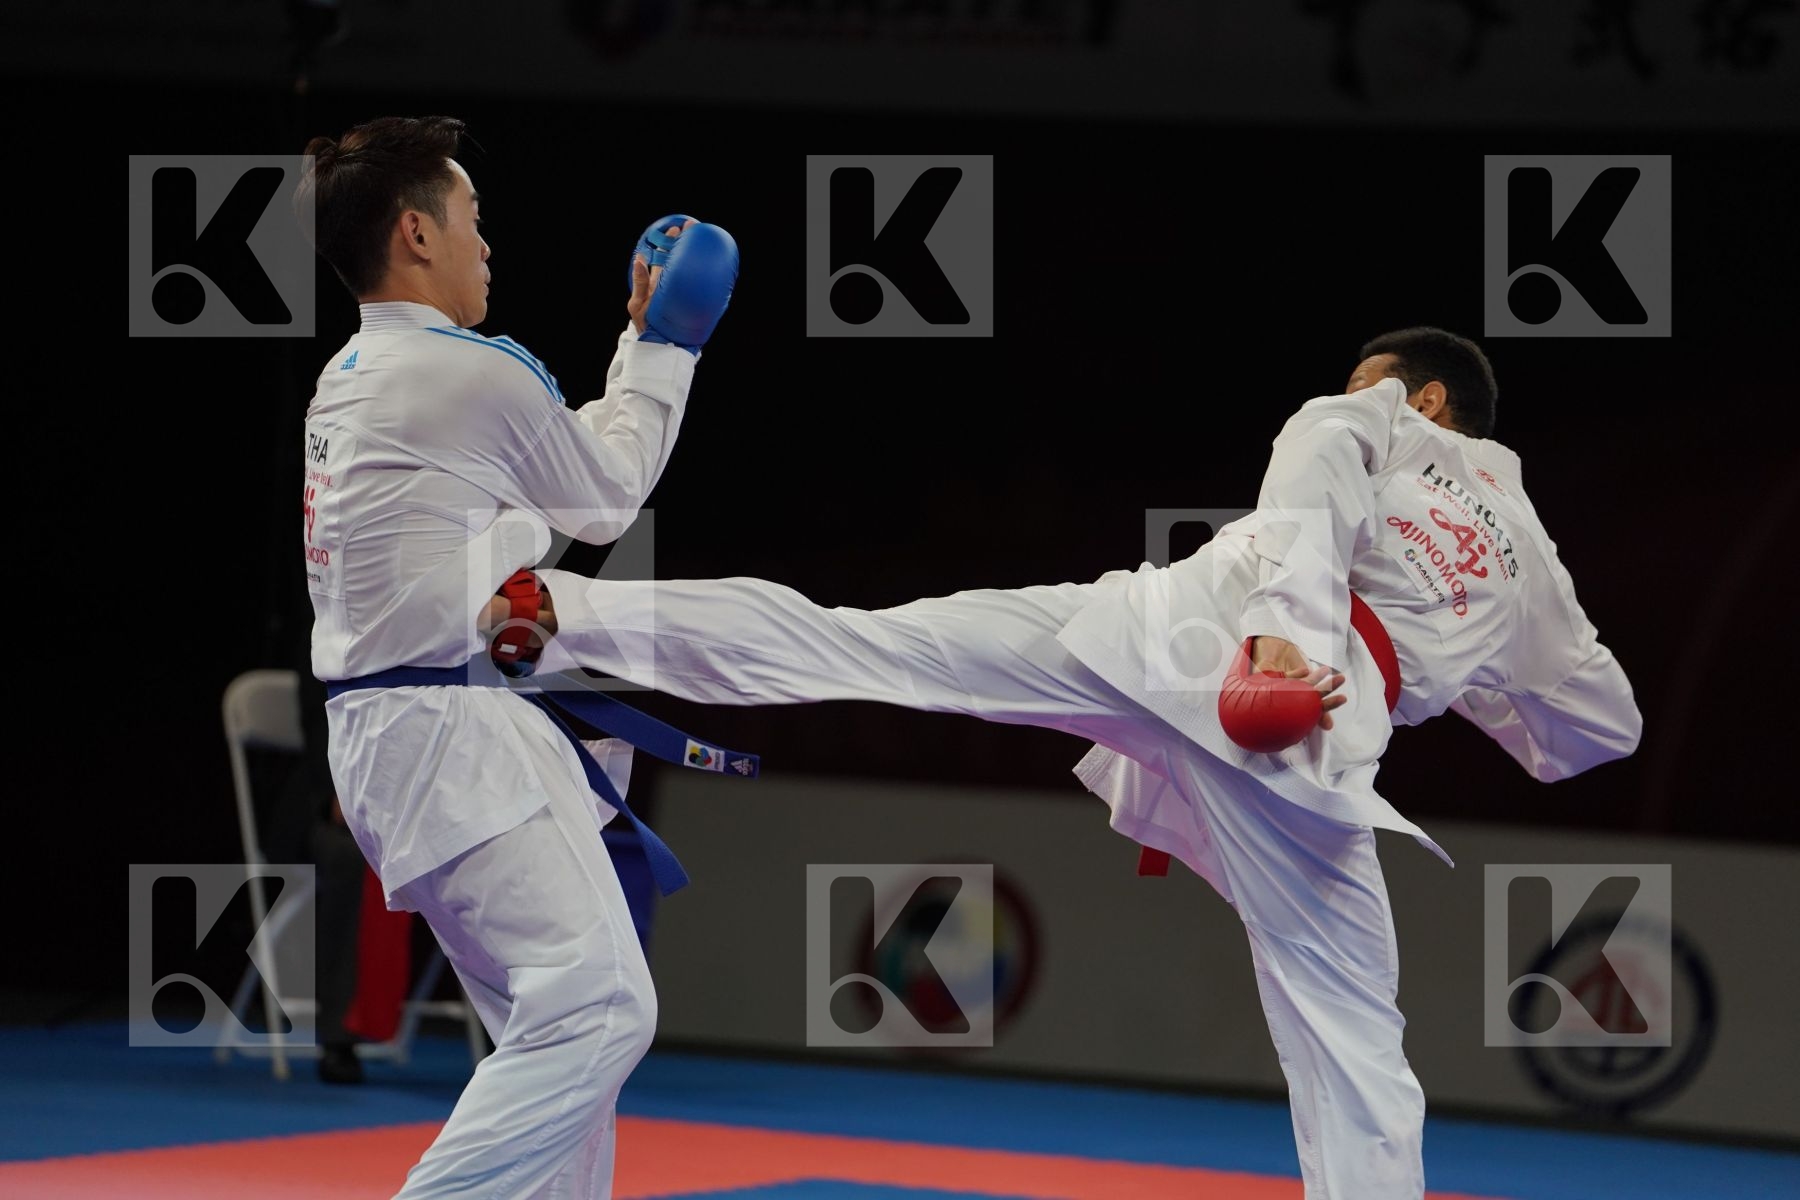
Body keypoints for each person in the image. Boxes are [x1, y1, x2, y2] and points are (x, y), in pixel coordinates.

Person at [477, 327, 1643, 1199]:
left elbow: (1318, 449)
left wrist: (1287, 630)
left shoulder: (1381, 418)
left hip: (1171, 641)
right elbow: (1602, 729)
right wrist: (1467, 671)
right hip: (1299, 739)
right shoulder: (1534, 561)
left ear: (1423, 392)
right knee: (1354, 1046)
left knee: (863, 640)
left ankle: (567, 613)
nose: (1357, 391)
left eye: (1369, 375)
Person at [296, 114, 738, 1197]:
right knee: (598, 1011)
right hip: (448, 732)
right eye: (473, 221)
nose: (487, 245)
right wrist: (663, 342)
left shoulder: (355, 376)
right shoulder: (463, 372)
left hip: (416, 732)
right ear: (415, 234)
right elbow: (605, 488)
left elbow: (533, 490)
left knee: (559, 1036)